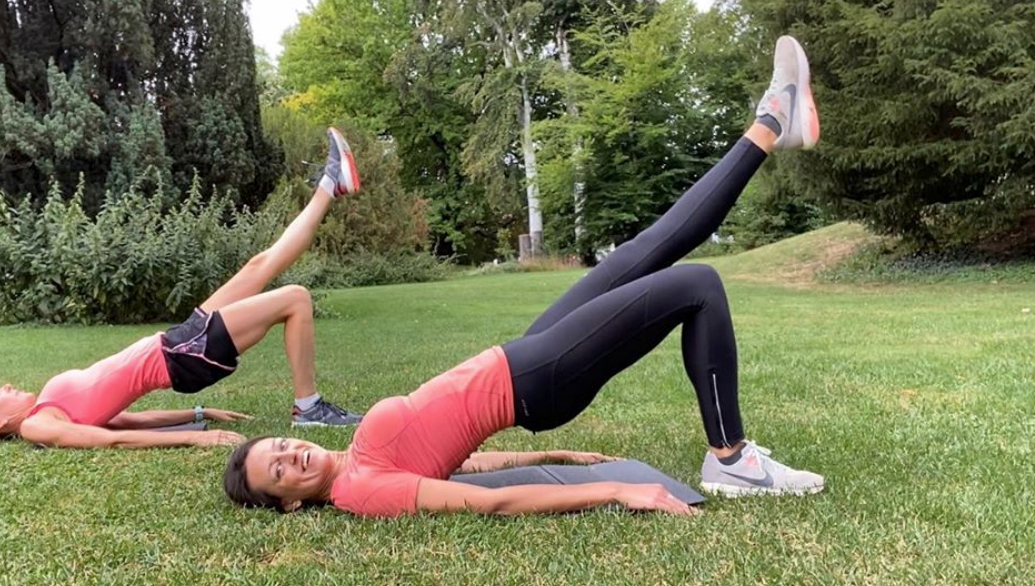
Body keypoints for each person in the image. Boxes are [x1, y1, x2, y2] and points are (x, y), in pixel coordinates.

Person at [223, 37, 825, 517]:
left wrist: (557, 455)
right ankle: (731, 459)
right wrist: (617, 489)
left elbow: (464, 464)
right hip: (539, 379)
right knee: (698, 286)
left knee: (644, 251)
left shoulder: (356, 453)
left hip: (520, 359)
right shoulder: (360, 491)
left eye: (281, 446)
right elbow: (487, 502)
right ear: (291, 502)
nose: (293, 455)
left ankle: (773, 123)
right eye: (280, 472)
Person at [0, 129, 367, 449]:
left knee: (260, 265)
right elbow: (108, 440)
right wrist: (193, 438)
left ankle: (330, 184)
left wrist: (199, 413)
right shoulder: (35, 426)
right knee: (295, 297)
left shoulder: (49, 406)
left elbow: (124, 421)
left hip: (177, 343)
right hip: (183, 355)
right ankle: (308, 408)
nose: (4, 386)